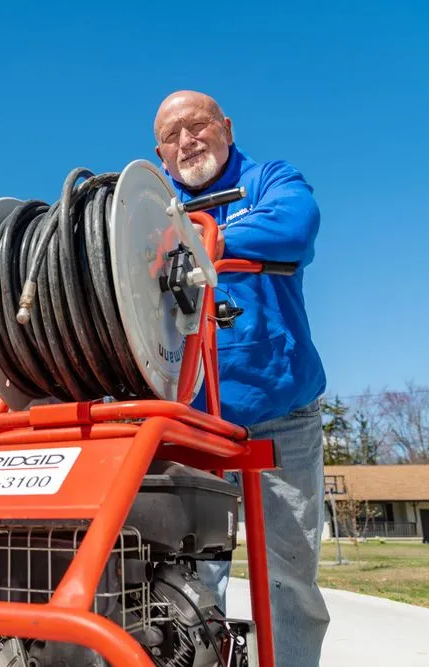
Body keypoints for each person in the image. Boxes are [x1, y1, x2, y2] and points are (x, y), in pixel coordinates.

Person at [153, 90, 330, 667]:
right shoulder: (152, 208)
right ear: (159, 154)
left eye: (198, 125)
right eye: (172, 136)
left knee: (288, 575)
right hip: (194, 424)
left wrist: (200, 243)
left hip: (282, 414)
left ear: (225, 127)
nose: (188, 141)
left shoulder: (270, 180)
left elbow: (294, 229)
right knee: (188, 577)